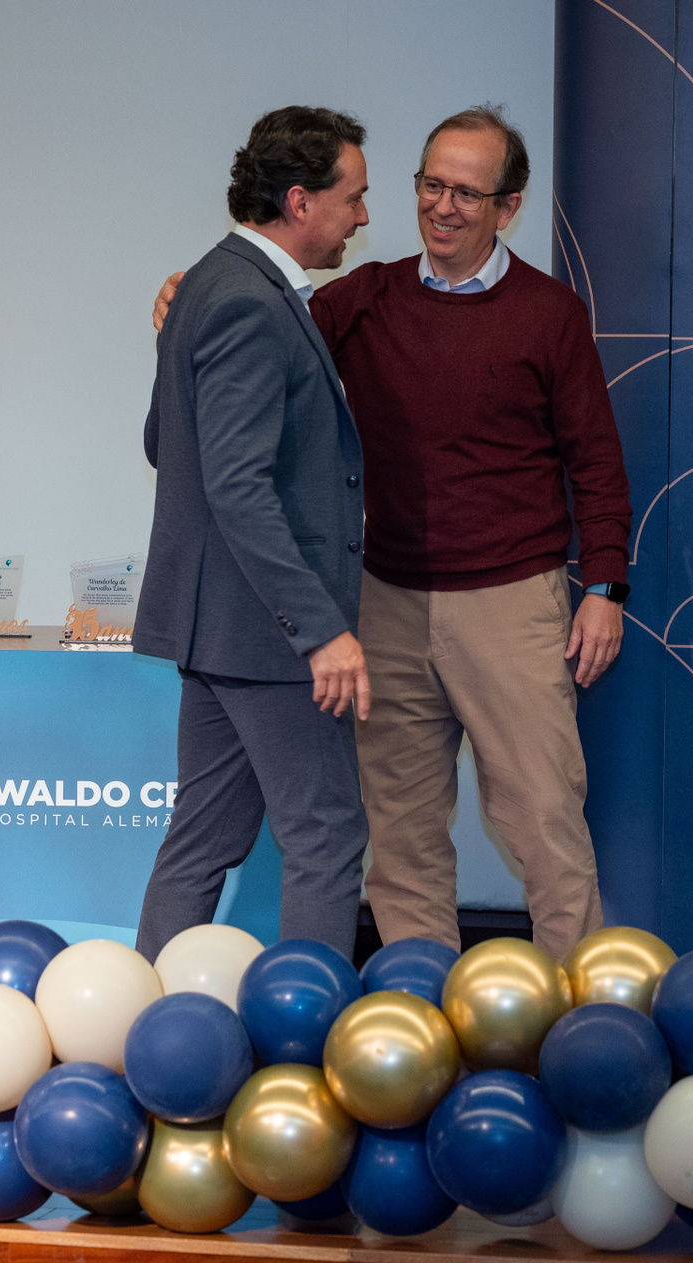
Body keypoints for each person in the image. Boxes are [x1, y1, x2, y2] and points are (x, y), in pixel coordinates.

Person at [156, 106, 630, 960]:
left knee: (546, 825)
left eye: (466, 193)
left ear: (509, 207)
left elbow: (596, 459)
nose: (441, 207)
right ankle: (418, 1011)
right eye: (430, 185)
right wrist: (188, 300)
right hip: (382, 605)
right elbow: (253, 340)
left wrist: (604, 584)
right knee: (400, 839)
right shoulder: (358, 299)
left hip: (511, 604)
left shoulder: (550, 313)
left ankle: (582, 1013)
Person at [131, 106, 371, 962]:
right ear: (300, 201)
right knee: (327, 835)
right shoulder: (249, 302)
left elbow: (166, 444)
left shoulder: (206, 283)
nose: (363, 217)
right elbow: (235, 485)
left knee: (203, 837)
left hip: (220, 629)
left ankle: (145, 1016)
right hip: (268, 636)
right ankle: (308, 1031)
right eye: (353, 197)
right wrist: (321, 630)